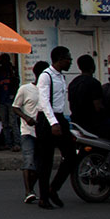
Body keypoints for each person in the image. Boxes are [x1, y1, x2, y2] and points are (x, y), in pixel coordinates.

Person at [36, 46, 78, 210]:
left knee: (71, 155)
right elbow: (44, 101)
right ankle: (43, 197)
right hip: (47, 120)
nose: (70, 62)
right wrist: (53, 123)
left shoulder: (61, 77)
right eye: (68, 59)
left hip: (59, 118)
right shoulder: (46, 76)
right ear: (60, 59)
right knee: (46, 160)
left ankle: (54, 188)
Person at [12, 61, 48, 203]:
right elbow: (15, 107)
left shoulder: (47, 90)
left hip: (43, 131)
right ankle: (28, 191)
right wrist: (26, 118)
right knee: (29, 159)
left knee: (40, 163)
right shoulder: (25, 89)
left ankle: (31, 188)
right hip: (28, 131)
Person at [67, 54, 104, 134]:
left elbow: (71, 105)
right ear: (93, 66)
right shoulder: (94, 83)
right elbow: (98, 107)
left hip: (76, 122)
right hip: (92, 124)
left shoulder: (73, 83)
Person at [0, 55, 19, 150]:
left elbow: (16, 83)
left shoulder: (12, 71)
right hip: (2, 100)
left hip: (11, 100)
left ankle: (17, 143)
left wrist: (13, 94)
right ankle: (8, 143)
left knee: (13, 122)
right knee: (5, 123)